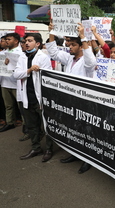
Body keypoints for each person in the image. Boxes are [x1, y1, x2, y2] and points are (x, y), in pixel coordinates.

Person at [46, 22, 97, 173]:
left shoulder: (86, 62)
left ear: (81, 46)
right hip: (70, 101)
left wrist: (83, 37)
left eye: (74, 45)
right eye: (70, 44)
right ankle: (75, 154)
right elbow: (54, 53)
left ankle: (88, 159)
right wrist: (51, 33)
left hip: (84, 102)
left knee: (85, 132)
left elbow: (91, 61)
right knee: (73, 129)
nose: (70, 47)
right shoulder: (69, 58)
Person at [13, 33, 53, 162]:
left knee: (46, 125)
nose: (26, 43)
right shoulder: (22, 57)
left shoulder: (43, 57)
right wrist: (29, 70)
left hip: (40, 97)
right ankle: (36, 147)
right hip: (27, 97)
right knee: (32, 126)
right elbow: (16, 74)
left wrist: (38, 71)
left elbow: (47, 77)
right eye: (25, 41)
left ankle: (48, 149)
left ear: (38, 44)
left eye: (30, 41)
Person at [0, 33, 23, 133]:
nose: (7, 41)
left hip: (16, 83)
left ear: (16, 41)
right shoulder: (3, 53)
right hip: (5, 82)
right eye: (6, 40)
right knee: (8, 105)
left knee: (21, 106)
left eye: (9, 39)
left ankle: (26, 125)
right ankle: (10, 123)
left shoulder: (21, 53)